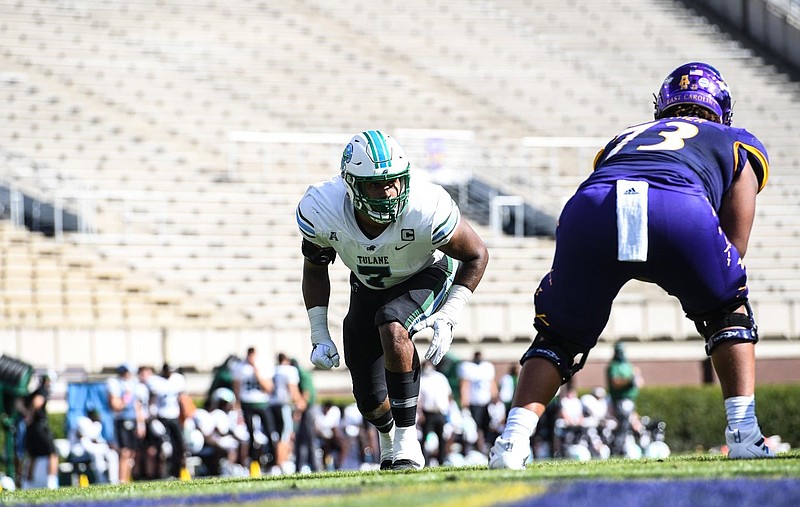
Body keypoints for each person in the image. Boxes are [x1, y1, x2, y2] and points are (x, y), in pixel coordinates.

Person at [490, 62, 774, 469]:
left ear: (664, 105)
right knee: (728, 311)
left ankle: (512, 444)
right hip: (678, 205)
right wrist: (701, 281)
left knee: (558, 338)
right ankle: (744, 434)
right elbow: (736, 244)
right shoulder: (733, 140)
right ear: (720, 108)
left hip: (594, 207)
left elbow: (610, 179)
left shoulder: (625, 136)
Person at [296, 130, 489, 470]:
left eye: (394, 182)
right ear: (352, 184)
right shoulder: (323, 208)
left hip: (425, 272)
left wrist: (451, 313)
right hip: (368, 285)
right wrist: (318, 332)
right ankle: (390, 441)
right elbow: (315, 269)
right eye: (375, 185)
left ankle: (407, 440)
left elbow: (476, 254)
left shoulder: (425, 205)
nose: (388, 192)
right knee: (369, 399)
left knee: (392, 323)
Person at [232, 346, 277, 475]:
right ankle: (253, 463)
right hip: (247, 404)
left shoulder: (264, 366)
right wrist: (237, 405)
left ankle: (272, 463)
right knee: (250, 435)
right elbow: (236, 387)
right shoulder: (240, 367)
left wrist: (257, 372)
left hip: (262, 403)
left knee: (270, 433)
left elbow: (269, 388)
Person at [16, 371, 58, 489]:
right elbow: (38, 401)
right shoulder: (42, 390)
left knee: (34, 455)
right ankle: (52, 482)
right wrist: (30, 414)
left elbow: (18, 403)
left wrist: (26, 414)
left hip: (31, 428)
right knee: (52, 454)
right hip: (39, 426)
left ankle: (28, 483)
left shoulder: (32, 392)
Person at [106, 362, 146, 483]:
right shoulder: (115, 384)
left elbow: (137, 406)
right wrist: (125, 400)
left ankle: (127, 479)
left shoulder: (133, 384)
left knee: (132, 453)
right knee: (124, 452)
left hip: (132, 419)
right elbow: (115, 405)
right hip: (122, 420)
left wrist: (141, 424)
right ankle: (122, 480)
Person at [458, 351, 498, 455]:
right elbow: (464, 386)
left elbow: (492, 384)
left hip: (486, 403)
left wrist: (495, 399)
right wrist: (464, 404)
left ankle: (486, 447)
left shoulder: (487, 367)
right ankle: (476, 450)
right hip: (473, 403)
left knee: (489, 426)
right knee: (474, 428)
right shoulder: (467, 368)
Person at [606, 342, 643, 455]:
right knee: (623, 425)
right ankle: (618, 448)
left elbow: (639, 382)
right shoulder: (613, 366)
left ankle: (626, 447)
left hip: (630, 400)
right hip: (620, 400)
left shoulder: (628, 365)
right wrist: (629, 380)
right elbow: (616, 382)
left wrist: (636, 377)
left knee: (630, 424)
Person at [417, 360, 453, 466]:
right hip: (427, 413)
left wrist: (449, 411)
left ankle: (441, 461)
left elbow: (448, 395)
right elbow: (418, 400)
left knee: (442, 438)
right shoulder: (421, 380)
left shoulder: (440, 378)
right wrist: (420, 414)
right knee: (424, 439)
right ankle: (426, 462)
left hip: (440, 412)